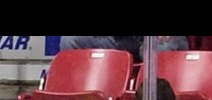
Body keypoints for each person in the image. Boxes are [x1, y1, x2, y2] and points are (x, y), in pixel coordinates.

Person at [59, 36, 189, 63]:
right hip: (116, 39)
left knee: (162, 49)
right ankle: (82, 99)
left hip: (153, 40)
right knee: (71, 40)